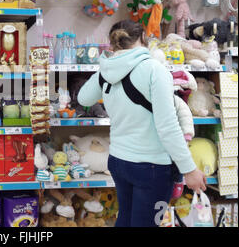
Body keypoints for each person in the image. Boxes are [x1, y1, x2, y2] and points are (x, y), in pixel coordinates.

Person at [77, 20, 207, 227]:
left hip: (119, 161)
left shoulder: (106, 71)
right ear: (144, 39)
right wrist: (189, 169)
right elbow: (168, 126)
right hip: (151, 167)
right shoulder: (155, 70)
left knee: (126, 219)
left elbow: (83, 98)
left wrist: (106, 66)